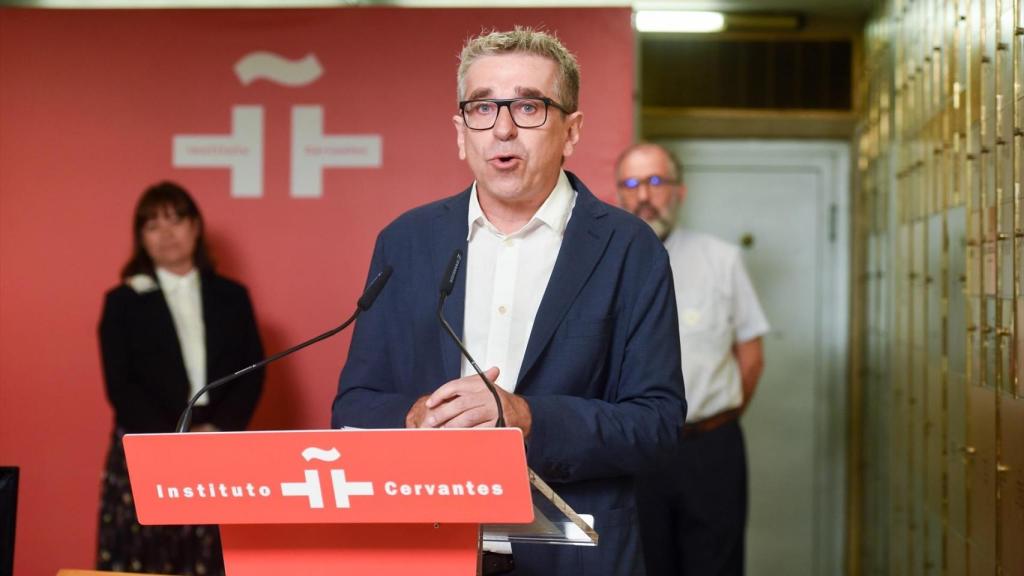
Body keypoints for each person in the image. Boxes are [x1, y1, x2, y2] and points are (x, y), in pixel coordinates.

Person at [331, 28, 685, 576]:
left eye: (528, 107)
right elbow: (353, 406)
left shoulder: (629, 249)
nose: (502, 128)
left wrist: (528, 417)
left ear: (572, 131)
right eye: (482, 107)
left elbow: (656, 425)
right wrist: (414, 416)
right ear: (460, 131)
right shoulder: (405, 242)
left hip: (574, 559)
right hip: (426, 551)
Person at [615, 143, 769, 576]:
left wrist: (715, 420)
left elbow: (751, 358)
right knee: (642, 565)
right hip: (636, 452)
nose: (643, 194)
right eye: (631, 183)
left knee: (715, 565)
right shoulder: (604, 266)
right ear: (619, 195)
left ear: (679, 191)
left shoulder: (722, 260)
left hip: (710, 449)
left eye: (655, 181)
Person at [96, 181, 265, 575]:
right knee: (143, 558)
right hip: (148, 442)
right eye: (153, 225)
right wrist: (175, 439)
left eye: (175, 220)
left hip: (217, 441)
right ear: (140, 237)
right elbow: (120, 386)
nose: (167, 233)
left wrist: (218, 429)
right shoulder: (122, 301)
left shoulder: (232, 295)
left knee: (212, 558)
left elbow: (254, 370)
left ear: (196, 226)